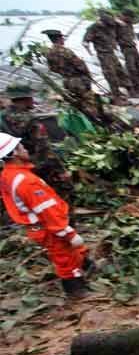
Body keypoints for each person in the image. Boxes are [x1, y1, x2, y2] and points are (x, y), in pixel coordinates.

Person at [1, 132, 90, 298]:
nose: (25, 149)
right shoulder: (26, 181)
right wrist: (67, 232)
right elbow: (47, 210)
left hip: (37, 225)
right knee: (64, 256)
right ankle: (75, 289)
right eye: (21, 147)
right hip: (46, 226)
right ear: (13, 154)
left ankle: (85, 264)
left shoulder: (8, 174)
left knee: (68, 252)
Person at [1, 86, 72, 199]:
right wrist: (61, 170)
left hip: (11, 165)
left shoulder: (2, 117)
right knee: (55, 193)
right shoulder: (30, 120)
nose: (33, 100)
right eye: (31, 97)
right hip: (35, 163)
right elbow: (44, 148)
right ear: (25, 99)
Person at [42, 29, 105, 123]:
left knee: (79, 103)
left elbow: (52, 69)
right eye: (62, 38)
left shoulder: (49, 53)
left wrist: (64, 72)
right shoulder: (65, 51)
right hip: (78, 80)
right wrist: (87, 74)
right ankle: (97, 122)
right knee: (89, 102)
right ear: (59, 39)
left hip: (67, 81)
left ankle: (88, 121)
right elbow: (79, 65)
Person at [83, 10, 130, 102]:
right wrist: (91, 54)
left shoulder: (111, 25)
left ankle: (128, 89)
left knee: (121, 72)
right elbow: (85, 42)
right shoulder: (94, 28)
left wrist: (116, 20)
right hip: (103, 55)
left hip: (112, 53)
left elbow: (122, 24)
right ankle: (116, 97)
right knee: (111, 75)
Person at [116, 9, 139, 96]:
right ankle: (136, 89)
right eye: (130, 18)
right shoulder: (117, 23)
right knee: (132, 69)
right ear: (125, 16)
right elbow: (105, 19)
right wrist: (118, 20)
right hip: (126, 48)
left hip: (133, 47)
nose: (132, 20)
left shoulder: (129, 24)